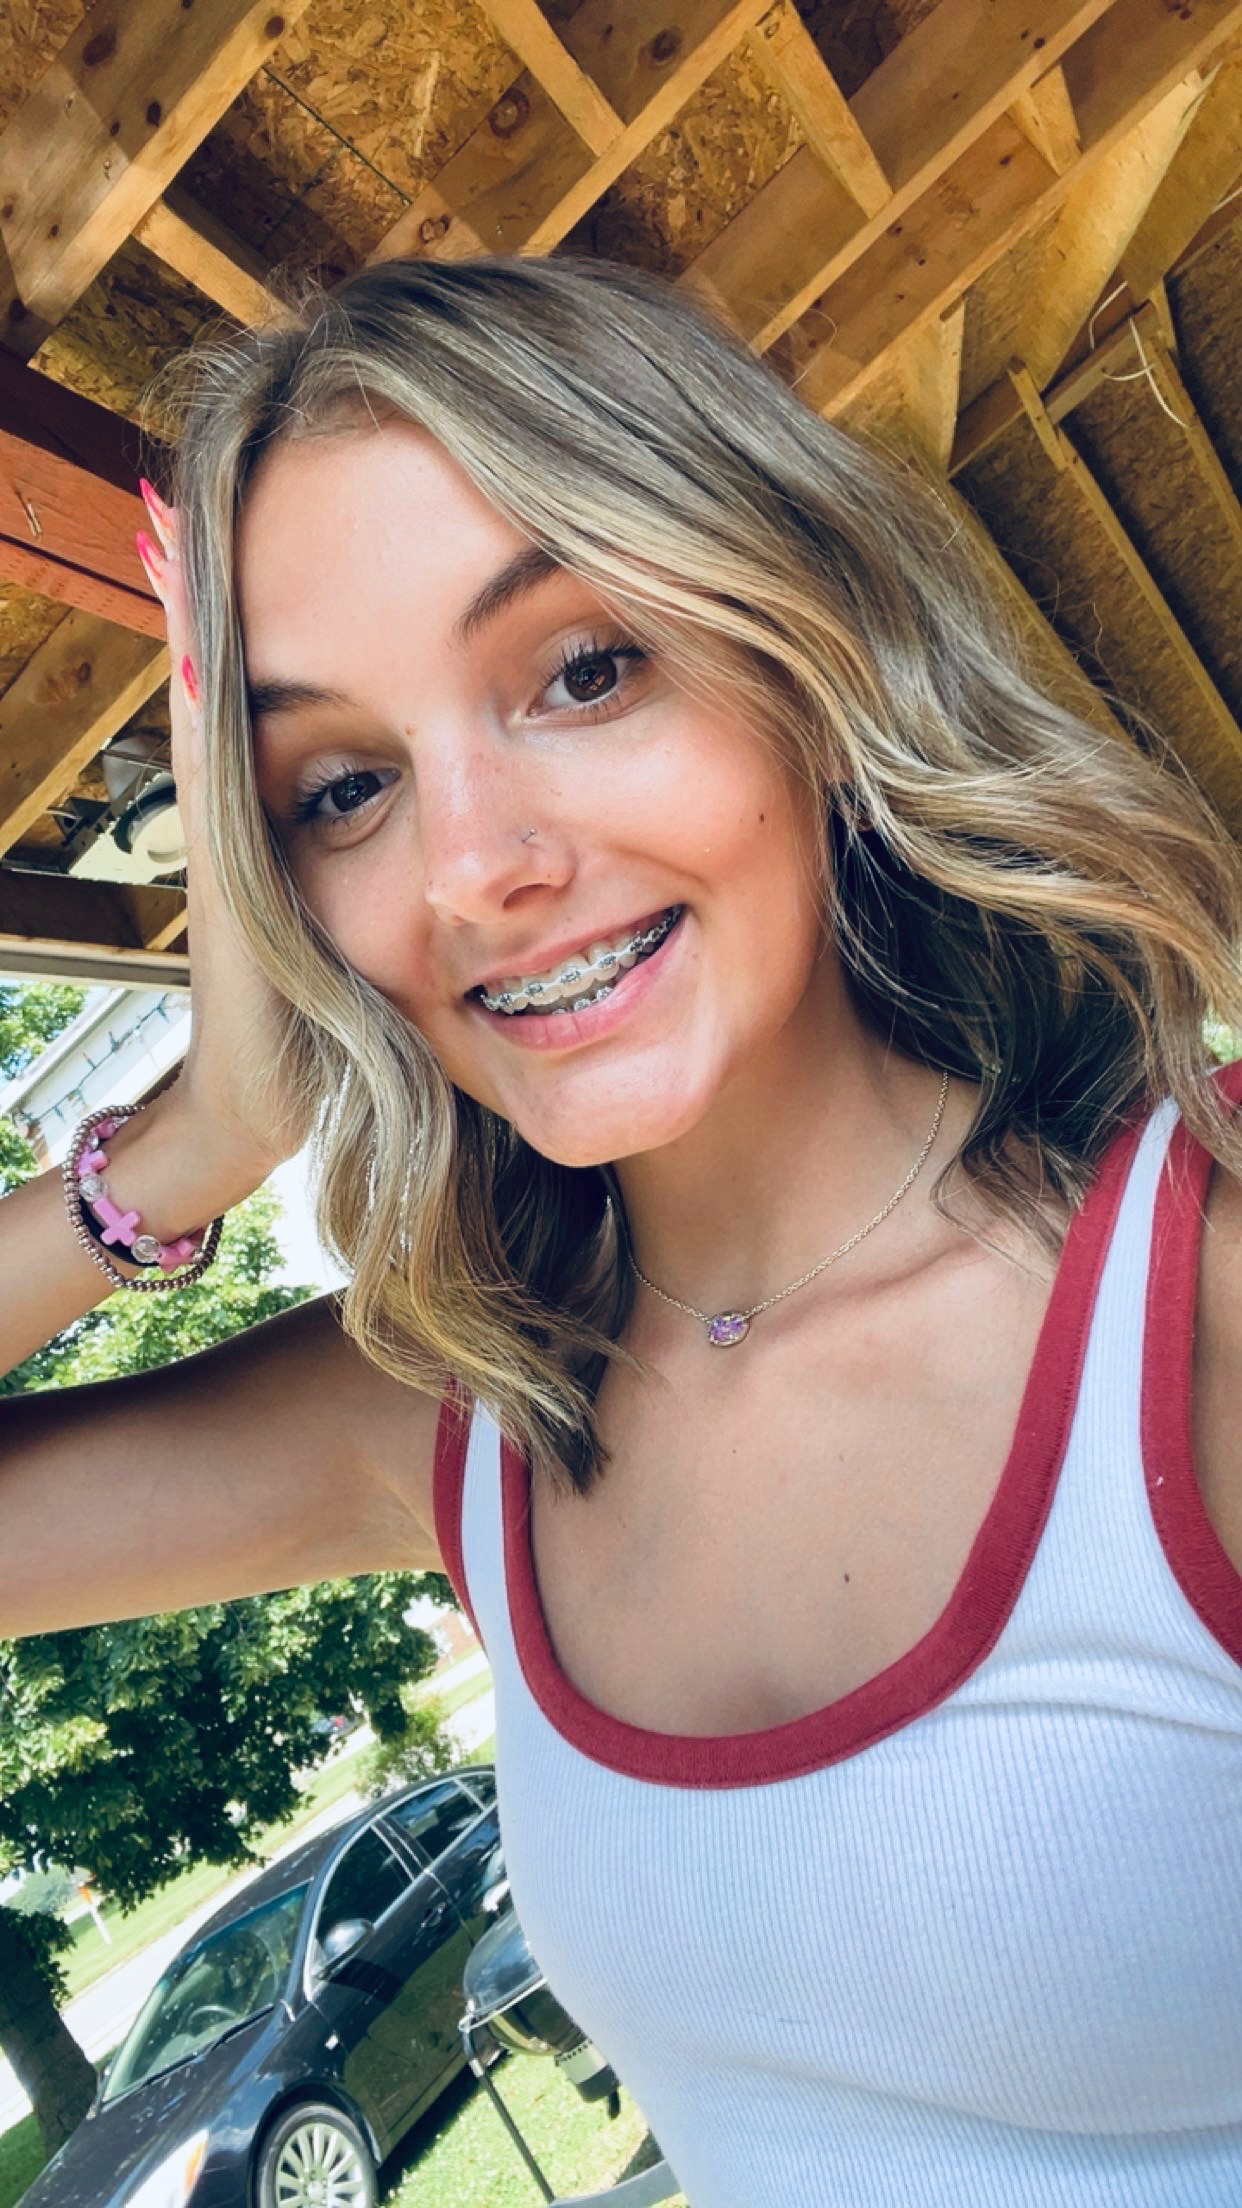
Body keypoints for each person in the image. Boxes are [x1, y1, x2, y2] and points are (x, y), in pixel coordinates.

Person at [2, 255, 1240, 2204]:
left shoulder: (1200, 1296)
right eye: (343, 787)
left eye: (582, 671)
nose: (472, 866)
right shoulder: (459, 1416)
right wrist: (179, 1150)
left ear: (803, 647)